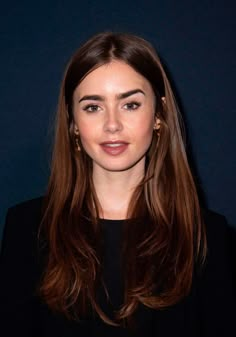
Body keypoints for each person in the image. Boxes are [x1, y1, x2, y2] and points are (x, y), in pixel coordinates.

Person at [0, 31, 235, 337]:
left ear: (159, 114)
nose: (112, 124)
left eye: (130, 105)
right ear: (73, 123)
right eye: (93, 107)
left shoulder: (208, 236)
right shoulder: (26, 228)